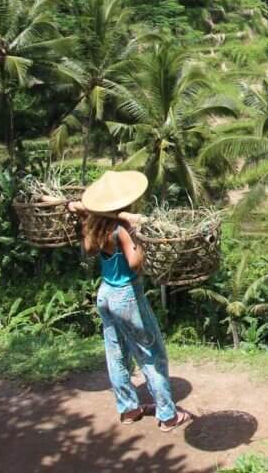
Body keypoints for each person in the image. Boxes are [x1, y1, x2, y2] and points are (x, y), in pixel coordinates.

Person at [68, 170, 190, 432]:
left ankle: (129, 409)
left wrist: (84, 214)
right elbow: (135, 264)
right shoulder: (121, 228)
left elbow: (88, 250)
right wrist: (137, 236)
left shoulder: (97, 226)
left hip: (105, 294)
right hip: (126, 296)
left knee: (116, 354)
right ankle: (168, 415)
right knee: (151, 353)